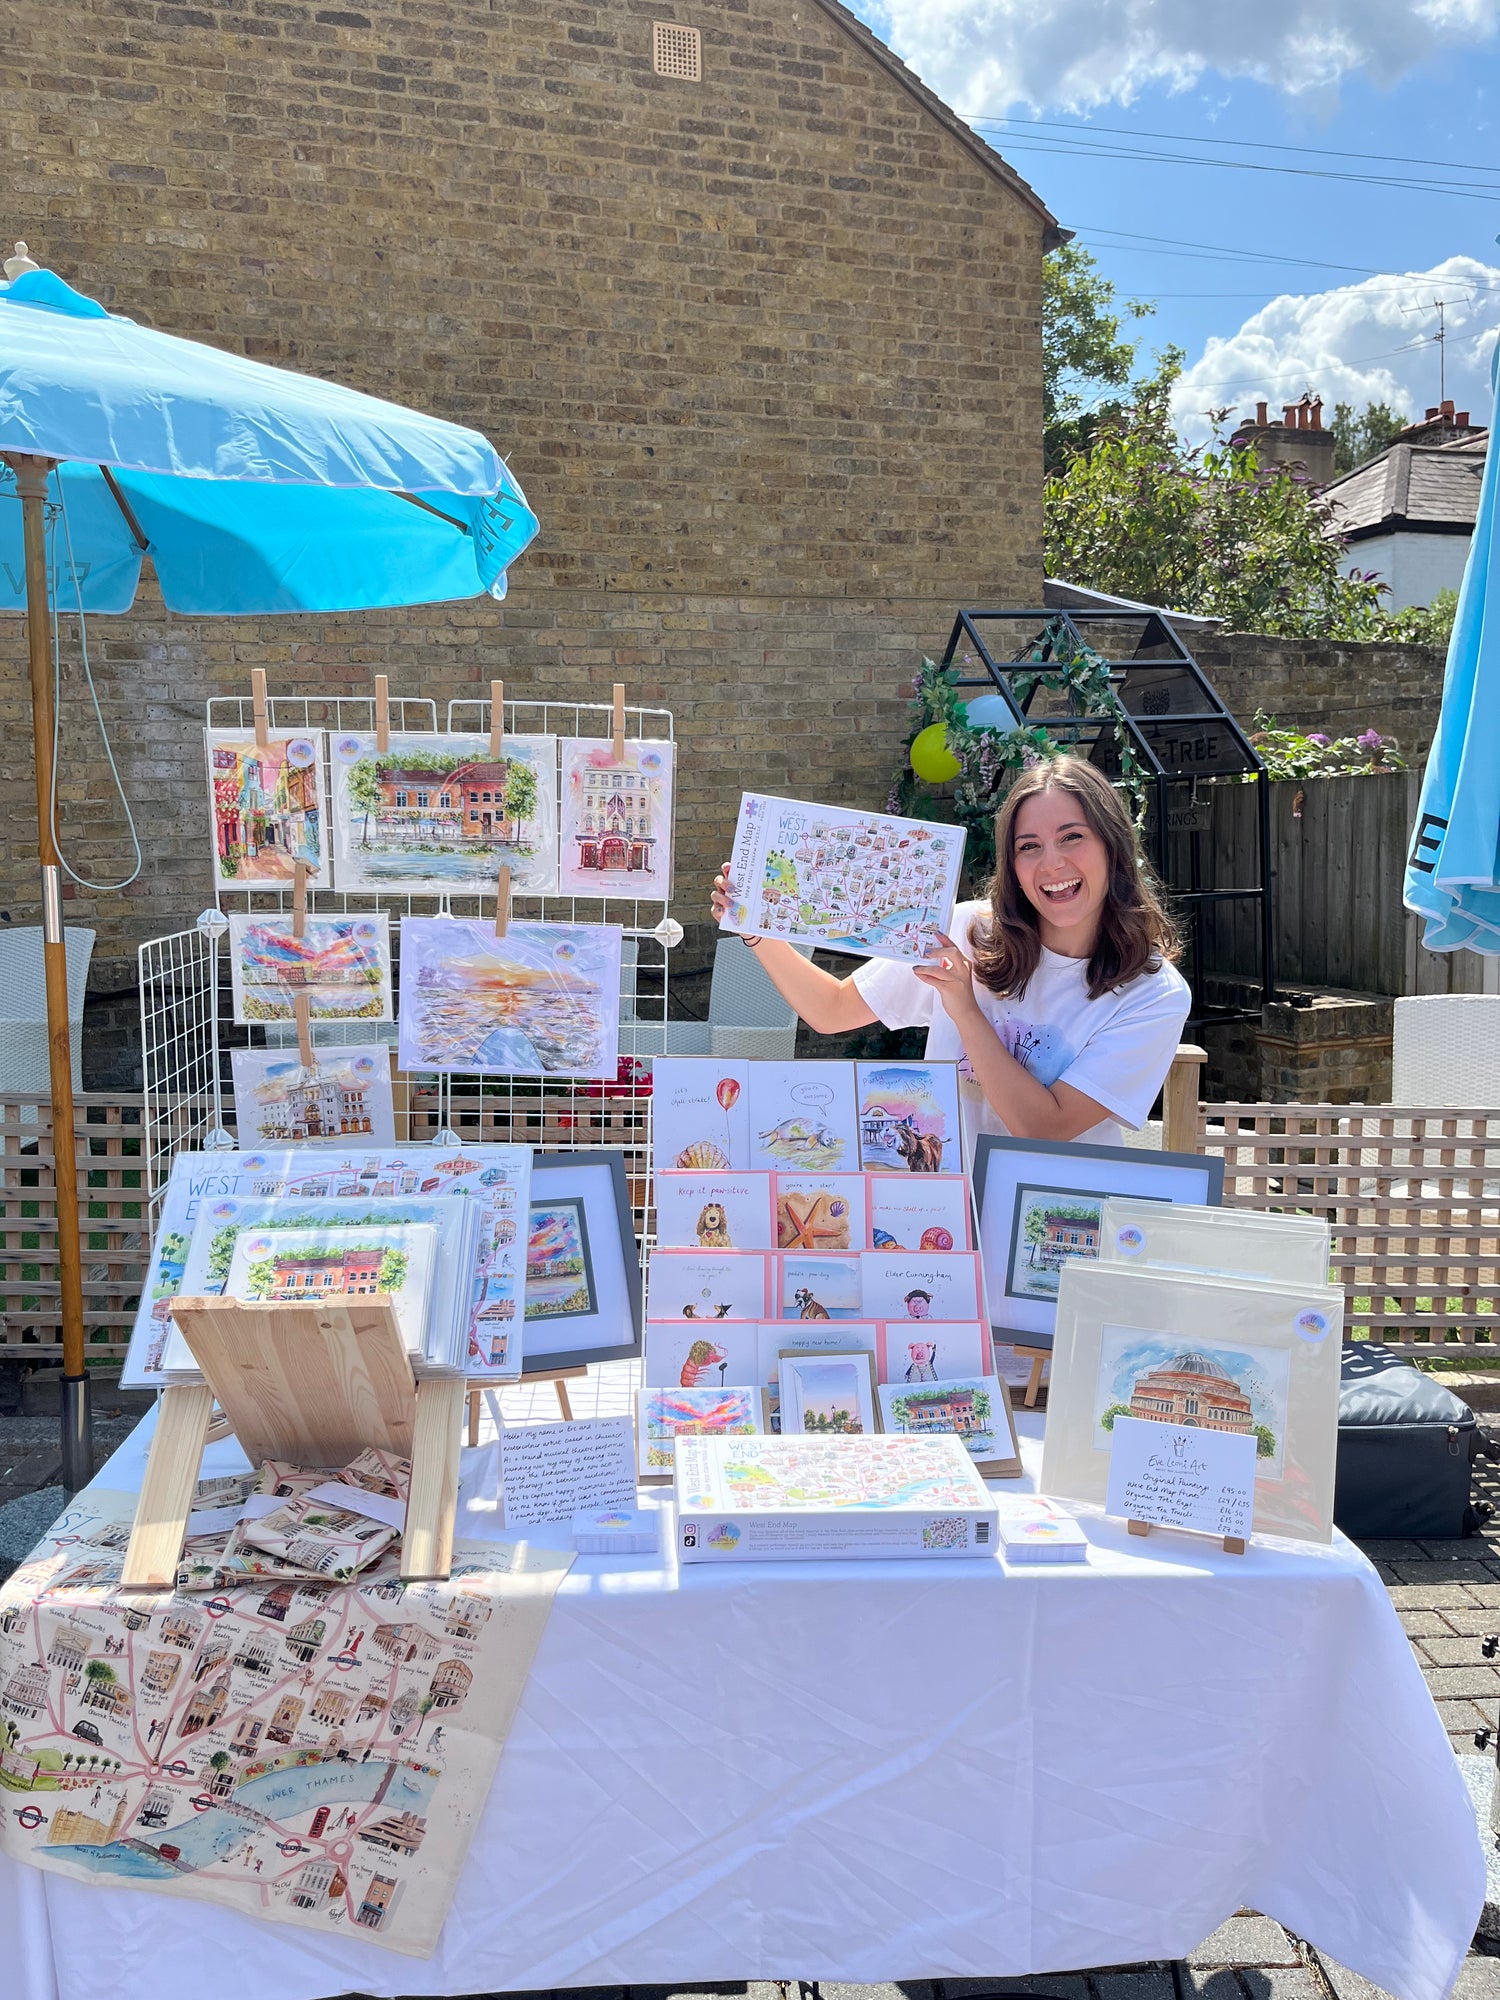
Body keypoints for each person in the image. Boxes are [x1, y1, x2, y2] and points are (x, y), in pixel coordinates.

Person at [711, 756, 1191, 1155]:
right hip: (938, 1214)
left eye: (1072, 837)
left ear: (1113, 844)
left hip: (1052, 1229)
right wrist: (758, 931)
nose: (1052, 863)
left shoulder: (1153, 993)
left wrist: (963, 1007)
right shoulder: (964, 930)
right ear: (1013, 867)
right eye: (1029, 847)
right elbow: (831, 1010)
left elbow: (1044, 1127)